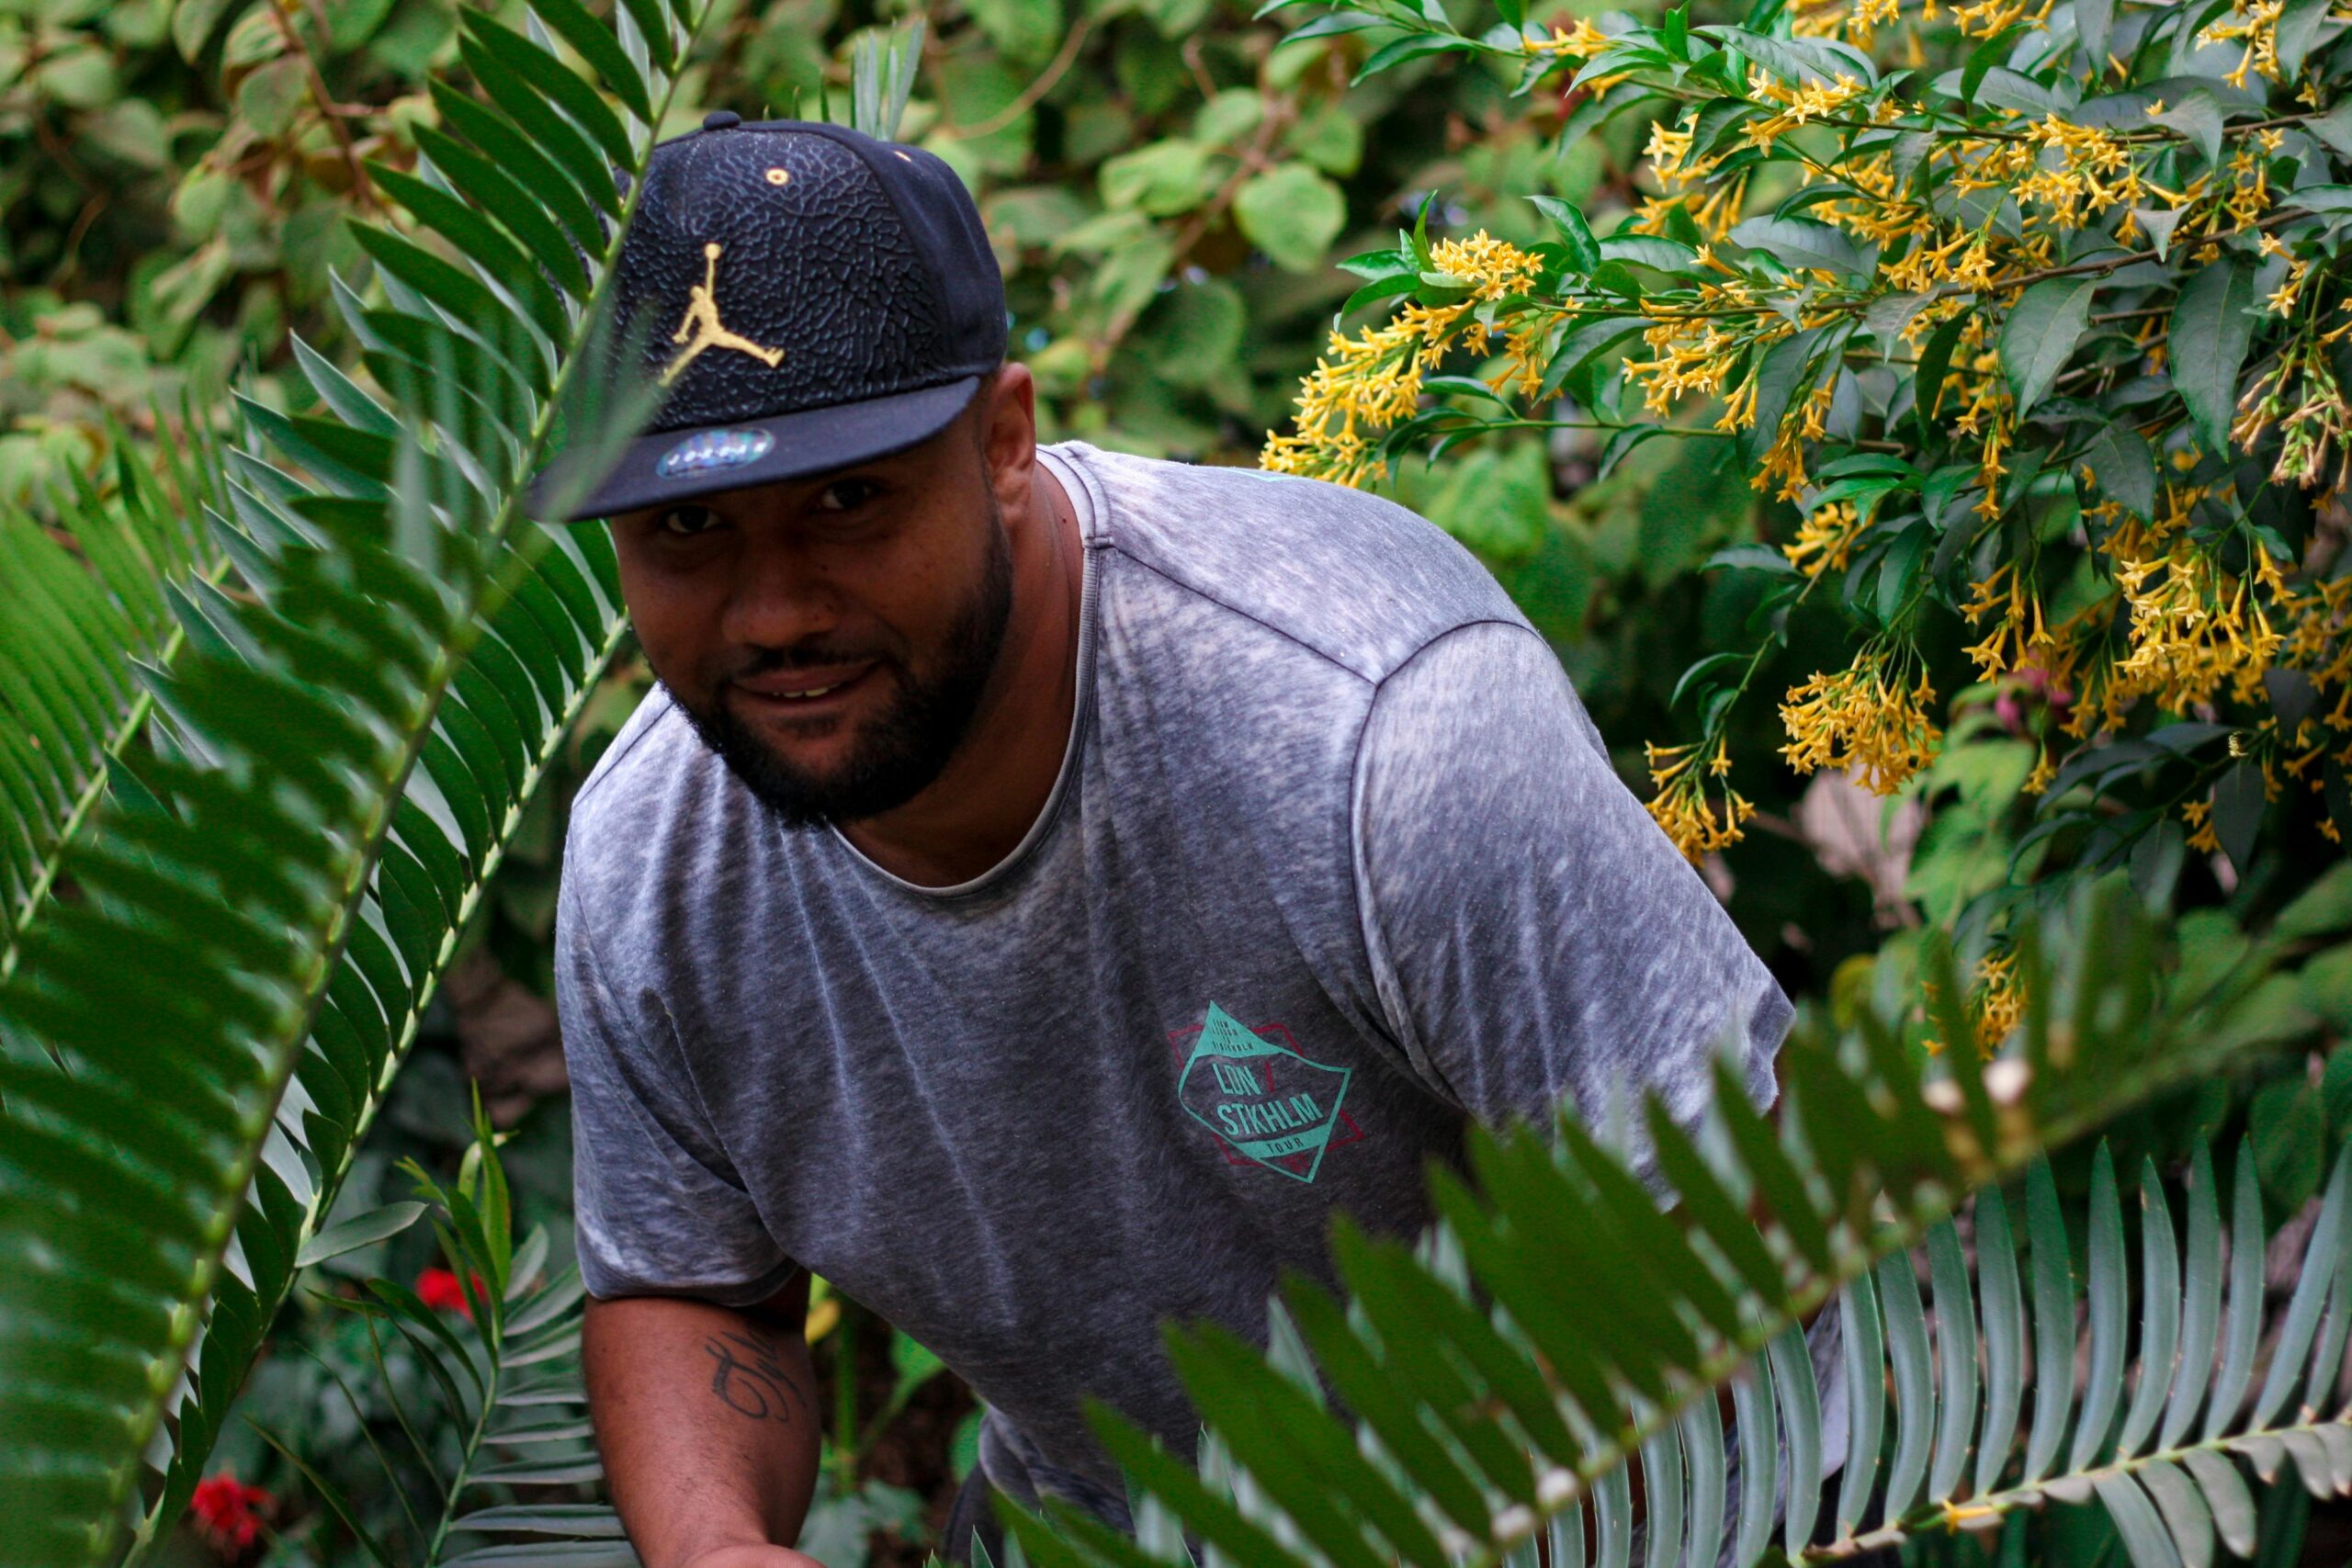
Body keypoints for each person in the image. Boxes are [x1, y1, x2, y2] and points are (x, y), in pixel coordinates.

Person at [532, 113, 1794, 1568]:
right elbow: (688, 1286)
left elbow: (1743, 1235)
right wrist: (715, 1549)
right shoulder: (650, 866)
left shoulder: (1377, 728)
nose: (774, 609)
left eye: (845, 501)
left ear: (1002, 441)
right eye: (688, 526)